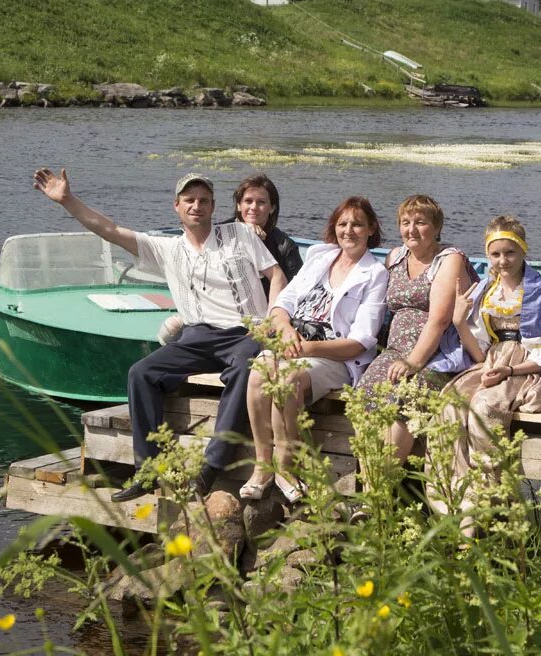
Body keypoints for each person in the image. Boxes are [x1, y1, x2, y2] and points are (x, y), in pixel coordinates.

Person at [33, 168, 287, 500]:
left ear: (213, 206)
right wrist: (67, 200)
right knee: (142, 373)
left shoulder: (240, 234)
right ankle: (148, 470)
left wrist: (272, 318)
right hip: (197, 335)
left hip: (246, 330)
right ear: (177, 207)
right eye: (189, 200)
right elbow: (108, 229)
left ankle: (212, 466)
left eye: (204, 200)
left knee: (244, 368)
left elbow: (276, 274)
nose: (197, 205)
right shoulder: (167, 249)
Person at [427, 216, 541, 520]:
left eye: (510, 253)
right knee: (450, 404)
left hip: (528, 366)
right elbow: (479, 351)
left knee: (484, 407)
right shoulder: (486, 292)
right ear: (488, 255)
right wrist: (458, 320)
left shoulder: (540, 293)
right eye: (496, 254)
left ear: (523, 252)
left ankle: (490, 495)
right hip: (494, 361)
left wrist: (510, 371)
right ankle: (452, 497)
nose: (503, 260)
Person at [240, 197, 389, 503]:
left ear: (370, 229)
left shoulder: (374, 274)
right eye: (343, 223)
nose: (349, 230)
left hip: (332, 354)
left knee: (287, 380)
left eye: (357, 224)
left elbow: (361, 341)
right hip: (294, 341)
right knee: (258, 374)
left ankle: (285, 468)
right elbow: (284, 302)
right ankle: (261, 467)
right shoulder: (320, 257)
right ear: (334, 227)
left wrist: (307, 347)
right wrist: (285, 329)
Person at [355, 195, 478, 465]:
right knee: (365, 395)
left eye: (420, 222)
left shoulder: (450, 259)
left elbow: (440, 320)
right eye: (405, 222)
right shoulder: (395, 257)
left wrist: (413, 362)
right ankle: (369, 483)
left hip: (439, 354)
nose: (411, 229)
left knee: (405, 399)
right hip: (397, 351)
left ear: (436, 228)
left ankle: (382, 487)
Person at [159, 174, 304, 345]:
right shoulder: (219, 233)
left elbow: (296, 290)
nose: (253, 207)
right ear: (238, 205)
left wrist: (271, 320)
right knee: (170, 328)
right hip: (213, 316)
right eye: (248, 201)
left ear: (272, 208)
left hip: (262, 317)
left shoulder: (285, 246)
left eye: (261, 202)